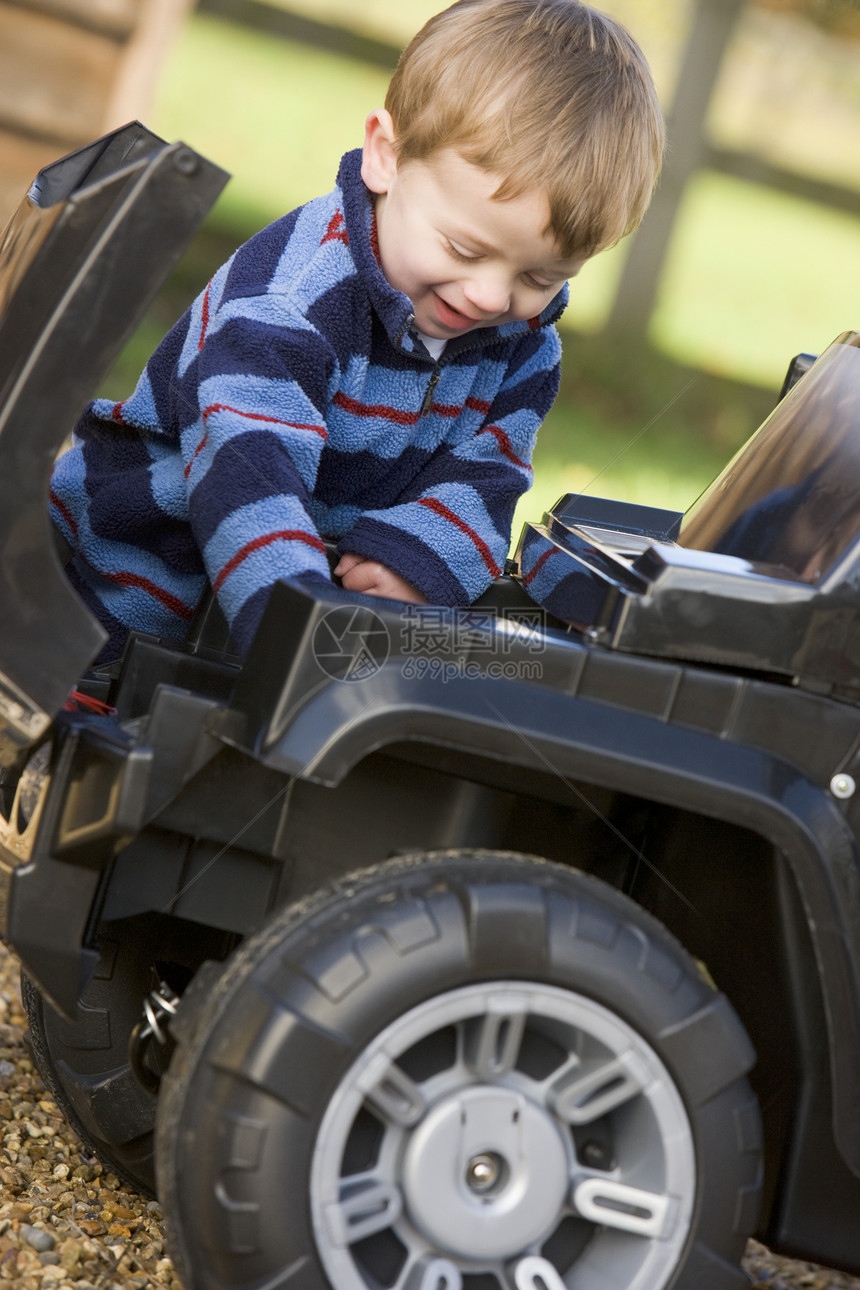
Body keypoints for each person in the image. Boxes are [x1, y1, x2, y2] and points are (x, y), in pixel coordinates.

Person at [49, 0, 665, 659]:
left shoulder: (524, 345)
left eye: (541, 277)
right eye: (463, 249)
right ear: (387, 157)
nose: (491, 295)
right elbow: (247, 472)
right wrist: (303, 651)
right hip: (124, 581)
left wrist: (419, 555)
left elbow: (488, 475)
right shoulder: (296, 299)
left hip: (277, 609)